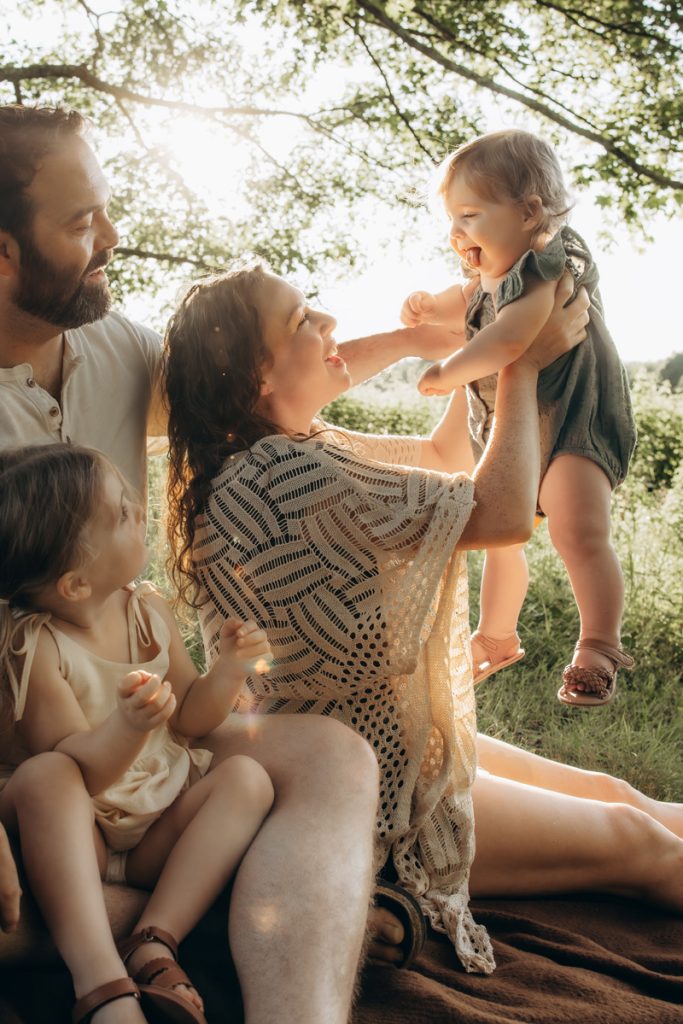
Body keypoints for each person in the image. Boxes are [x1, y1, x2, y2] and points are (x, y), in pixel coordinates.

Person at [0, 102, 418, 1023]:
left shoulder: (113, 346)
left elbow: (252, 373)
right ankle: (205, 921)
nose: (112, 237)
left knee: (333, 758)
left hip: (147, 741)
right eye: (80, 223)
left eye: (104, 209)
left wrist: (429, 348)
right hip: (28, 759)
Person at [162, 259, 683, 977]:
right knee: (639, 842)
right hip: (369, 792)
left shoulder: (277, 455)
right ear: (256, 376)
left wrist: (456, 348)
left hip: (385, 740)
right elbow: (499, 514)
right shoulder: (290, 477)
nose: (330, 324)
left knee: (616, 792)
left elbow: (445, 458)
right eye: (303, 321)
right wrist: (518, 364)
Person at [0, 443, 282, 1023]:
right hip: (82, 836)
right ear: (76, 584)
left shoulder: (146, 613)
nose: (140, 507)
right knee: (45, 777)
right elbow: (77, 770)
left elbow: (190, 719)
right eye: (123, 511)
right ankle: (101, 983)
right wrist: (128, 726)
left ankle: (156, 938)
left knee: (247, 781)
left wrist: (226, 671)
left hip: (158, 826)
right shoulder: (37, 647)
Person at [400, 129, 637, 705]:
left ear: (529, 212)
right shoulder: (495, 273)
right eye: (452, 219)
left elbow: (509, 341)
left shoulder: (546, 263)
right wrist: (433, 303)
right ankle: (497, 635)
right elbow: (471, 297)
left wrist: (446, 371)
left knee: (577, 530)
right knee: (501, 536)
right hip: (521, 427)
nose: (456, 233)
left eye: (470, 216)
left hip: (574, 424)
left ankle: (600, 645)